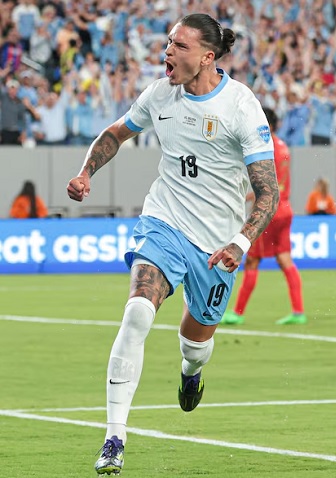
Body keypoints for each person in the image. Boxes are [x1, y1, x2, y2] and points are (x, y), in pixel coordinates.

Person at [66, 14, 280, 475]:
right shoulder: (159, 93)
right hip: (163, 222)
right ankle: (114, 437)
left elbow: (269, 192)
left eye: (179, 46)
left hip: (218, 244)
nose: (167, 52)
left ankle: (191, 373)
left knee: (195, 343)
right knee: (138, 311)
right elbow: (115, 134)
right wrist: (87, 172)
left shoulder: (242, 106)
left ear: (207, 56)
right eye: (168, 43)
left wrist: (241, 242)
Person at [222, 108, 306, 326]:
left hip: (270, 211)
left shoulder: (268, 148)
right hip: (285, 208)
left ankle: (238, 313)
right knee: (285, 259)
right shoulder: (283, 146)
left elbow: (266, 185)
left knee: (251, 260)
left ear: (268, 125)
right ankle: (298, 312)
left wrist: (246, 196)